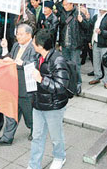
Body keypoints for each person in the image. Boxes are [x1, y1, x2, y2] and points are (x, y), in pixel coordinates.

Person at [28, 29, 69, 169]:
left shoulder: (58, 59)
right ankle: (34, 165)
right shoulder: (37, 56)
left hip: (54, 106)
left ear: (40, 45)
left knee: (56, 136)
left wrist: (41, 79)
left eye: (34, 41)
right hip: (38, 103)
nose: (32, 43)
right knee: (37, 136)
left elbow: (61, 86)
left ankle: (59, 157)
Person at [0, 24, 37, 145]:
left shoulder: (34, 47)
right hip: (13, 84)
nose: (18, 37)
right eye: (17, 34)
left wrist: (22, 62)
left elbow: (35, 64)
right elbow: (10, 59)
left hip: (26, 86)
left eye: (21, 34)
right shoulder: (16, 45)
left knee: (29, 114)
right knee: (11, 113)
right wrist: (5, 49)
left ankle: (35, 130)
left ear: (29, 35)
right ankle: (7, 137)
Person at [58, 0, 89, 95]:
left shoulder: (79, 13)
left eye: (67, 4)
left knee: (75, 65)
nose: (65, 6)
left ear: (72, 4)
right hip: (65, 43)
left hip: (75, 44)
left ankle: (78, 83)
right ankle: (68, 83)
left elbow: (87, 27)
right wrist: (60, 43)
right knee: (66, 64)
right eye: (64, 5)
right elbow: (61, 27)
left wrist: (82, 21)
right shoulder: (63, 13)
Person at [89, 9, 107, 89]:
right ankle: (97, 76)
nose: (100, 8)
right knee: (96, 61)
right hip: (95, 42)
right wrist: (90, 40)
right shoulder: (95, 17)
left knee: (106, 63)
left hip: (105, 44)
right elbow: (90, 29)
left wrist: (102, 32)